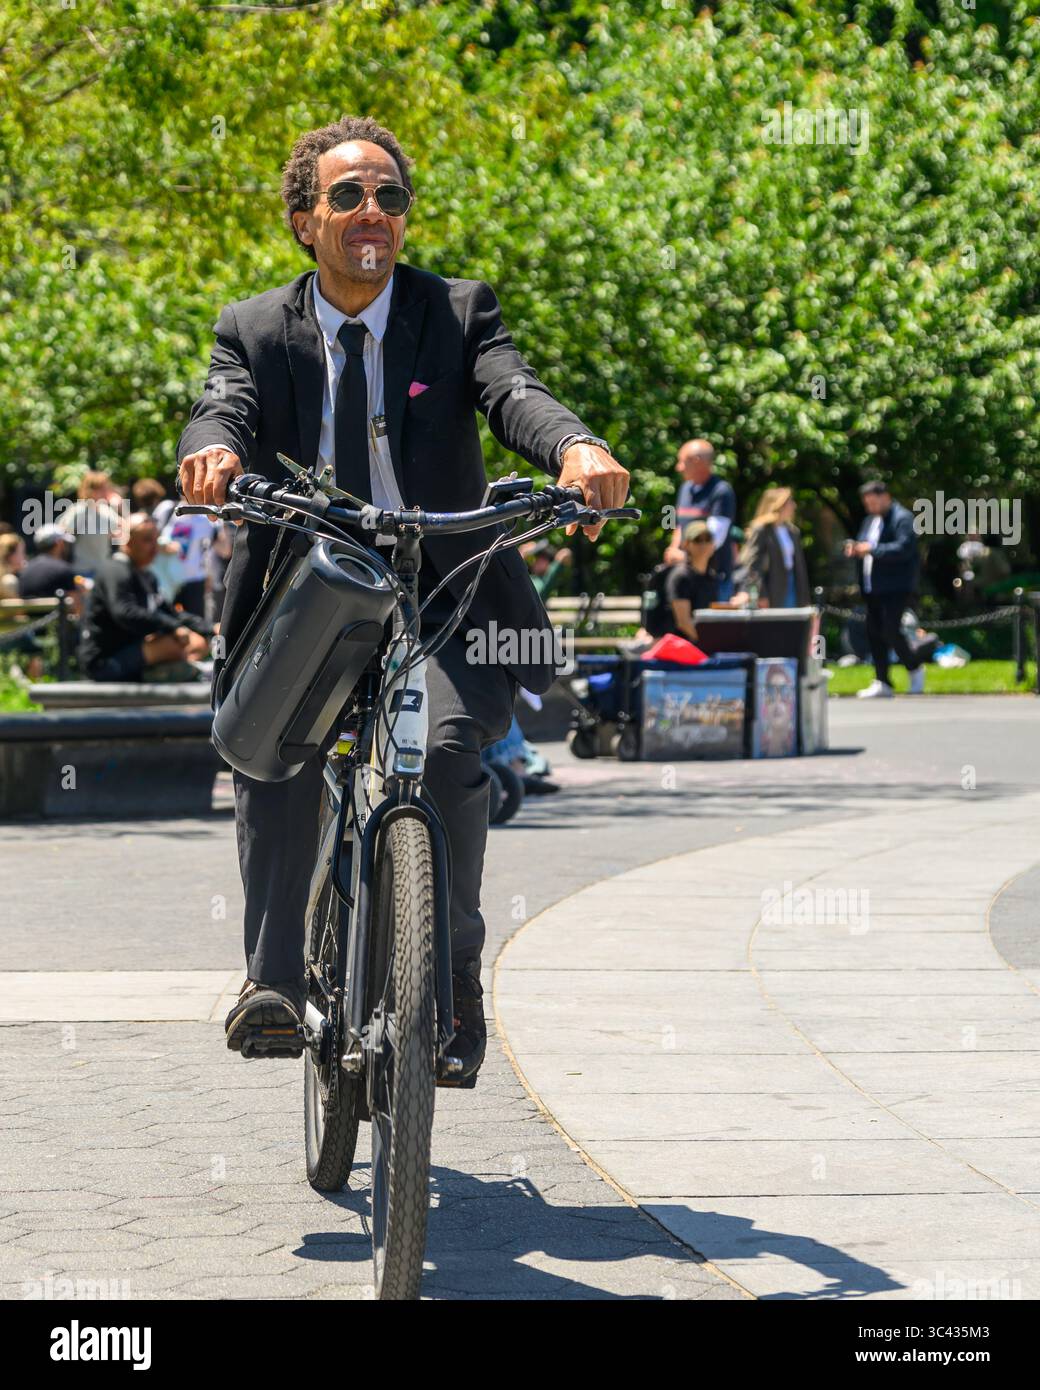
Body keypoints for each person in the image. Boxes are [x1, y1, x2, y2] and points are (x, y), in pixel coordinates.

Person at [176, 115, 629, 1083]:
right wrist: (209, 450)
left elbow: (512, 392)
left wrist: (574, 445)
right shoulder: (254, 327)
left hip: (445, 581)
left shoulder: (456, 311)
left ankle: (452, 986)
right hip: (312, 582)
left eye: (390, 196)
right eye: (348, 196)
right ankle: (274, 986)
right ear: (305, 219)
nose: (372, 212)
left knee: (457, 750)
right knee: (279, 750)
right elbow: (224, 406)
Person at [79, 513, 215, 682]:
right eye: (147, 540)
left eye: (156, 540)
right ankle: (175, 672)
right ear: (128, 542)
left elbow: (172, 613)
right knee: (172, 644)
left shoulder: (146, 576)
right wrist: (173, 628)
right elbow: (125, 613)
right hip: (105, 661)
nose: (155, 547)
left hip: (132, 650)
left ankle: (176, 671)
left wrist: (209, 628)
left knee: (197, 642)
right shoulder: (115, 571)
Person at [844, 480, 924, 698]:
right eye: (867, 503)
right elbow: (863, 542)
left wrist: (872, 549)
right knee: (874, 632)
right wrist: (855, 548)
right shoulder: (870, 521)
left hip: (895, 587)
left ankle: (914, 667)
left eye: (873, 502)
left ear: (885, 497)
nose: (870, 507)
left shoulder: (903, 518)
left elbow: (904, 548)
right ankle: (882, 681)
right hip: (873, 587)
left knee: (890, 629)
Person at [664, 439, 737, 600]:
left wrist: (685, 557)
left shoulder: (721, 492)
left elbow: (714, 538)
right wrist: (673, 549)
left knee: (711, 626)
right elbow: (679, 525)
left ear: (696, 462)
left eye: (682, 462)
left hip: (714, 579)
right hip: (686, 576)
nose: (679, 467)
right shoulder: (685, 489)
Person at [738, 486, 810, 608]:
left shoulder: (792, 531)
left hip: (792, 583)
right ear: (779, 505)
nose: (794, 505)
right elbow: (753, 565)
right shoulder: (762, 530)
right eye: (790, 502)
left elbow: (800, 567)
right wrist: (761, 594)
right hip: (772, 586)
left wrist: (805, 598)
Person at [57, 471, 124, 577]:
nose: (106, 492)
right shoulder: (78, 511)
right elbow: (60, 535)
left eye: (106, 488)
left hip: (103, 572)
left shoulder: (107, 511)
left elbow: (125, 532)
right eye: (101, 488)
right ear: (89, 490)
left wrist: (120, 507)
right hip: (82, 571)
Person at [663, 520, 718, 643]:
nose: (703, 545)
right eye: (698, 540)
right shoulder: (681, 577)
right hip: (682, 647)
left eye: (708, 539)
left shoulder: (711, 577)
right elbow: (683, 623)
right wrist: (708, 644)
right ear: (686, 544)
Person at [18, 525, 84, 613]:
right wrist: (81, 591)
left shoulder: (25, 570)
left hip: (29, 624)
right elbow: (76, 607)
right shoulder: (64, 569)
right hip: (56, 625)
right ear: (59, 543)